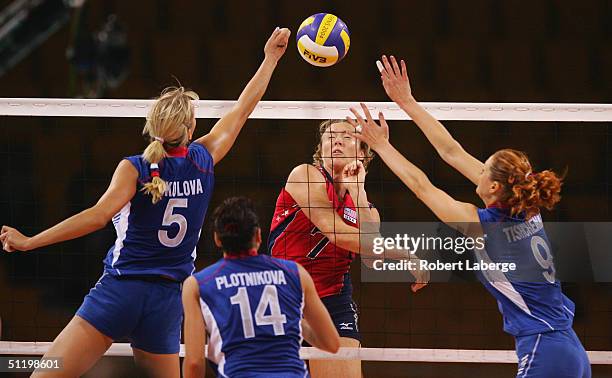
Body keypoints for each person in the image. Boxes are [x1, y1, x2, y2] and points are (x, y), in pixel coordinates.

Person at [0, 27, 291, 378]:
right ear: (190, 125)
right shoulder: (204, 159)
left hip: (120, 292)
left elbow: (96, 217)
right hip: (167, 302)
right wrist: (270, 59)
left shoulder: (134, 169)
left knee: (47, 372)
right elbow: (243, 110)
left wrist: (31, 241)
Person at [347, 55, 591, 378]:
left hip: (543, 349)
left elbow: (423, 187)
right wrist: (406, 102)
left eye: (483, 168)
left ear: (492, 185)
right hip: (571, 348)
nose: (475, 170)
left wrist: (381, 145)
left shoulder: (483, 225)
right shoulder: (525, 205)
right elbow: (452, 152)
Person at [267, 118, 428, 377]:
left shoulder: (367, 209)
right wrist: (405, 254)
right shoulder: (305, 176)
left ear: (363, 154)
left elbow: (370, 259)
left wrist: (359, 192)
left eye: (347, 136)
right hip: (283, 293)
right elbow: (335, 232)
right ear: (320, 148)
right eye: (330, 136)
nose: (337, 140)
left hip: (333, 298)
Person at [182, 197, 340, 378]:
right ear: (258, 235)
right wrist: (290, 318)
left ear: (217, 239)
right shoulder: (295, 273)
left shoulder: (198, 284)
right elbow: (332, 343)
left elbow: (194, 364)